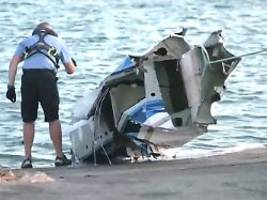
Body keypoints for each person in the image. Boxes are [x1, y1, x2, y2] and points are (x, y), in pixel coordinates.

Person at [6, 22, 76, 168]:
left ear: (35, 32)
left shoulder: (26, 42)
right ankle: (59, 156)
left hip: (28, 79)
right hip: (47, 78)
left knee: (28, 119)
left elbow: (13, 63)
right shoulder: (58, 42)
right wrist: (73, 63)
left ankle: (27, 159)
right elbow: (71, 70)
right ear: (52, 33)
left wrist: (10, 86)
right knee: (53, 118)